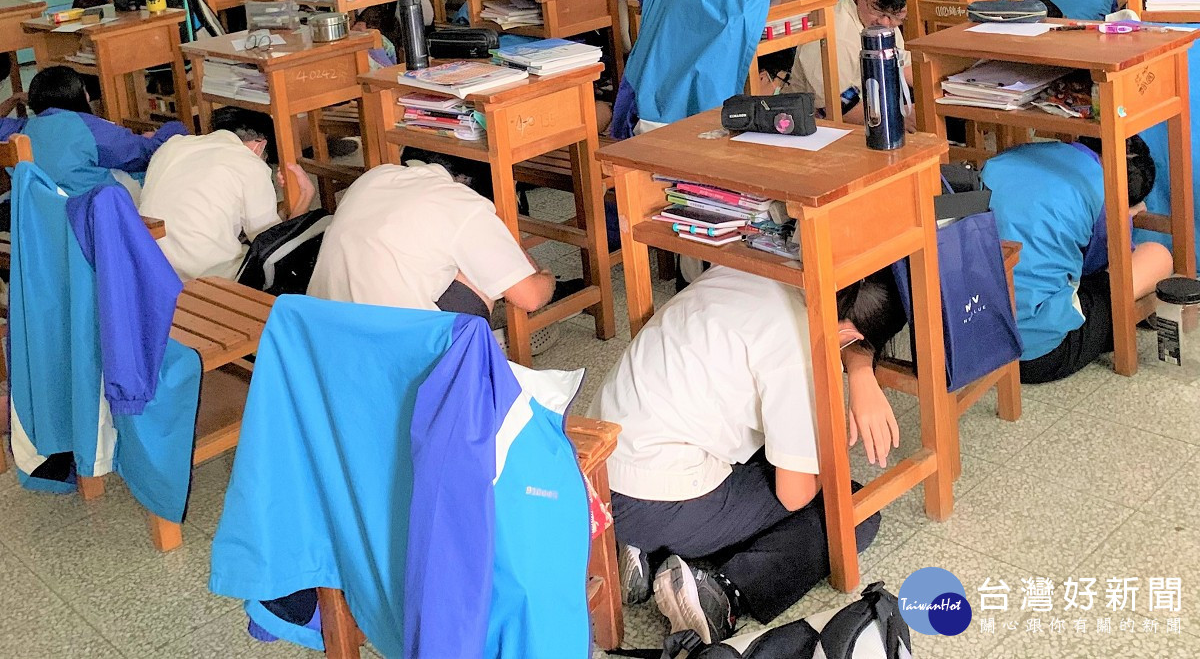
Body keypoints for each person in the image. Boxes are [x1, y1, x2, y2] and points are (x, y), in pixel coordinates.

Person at [590, 266, 907, 643]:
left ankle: (642, 551)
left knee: (770, 452)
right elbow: (796, 493)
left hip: (600, 470)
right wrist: (830, 448)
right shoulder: (799, 348)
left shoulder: (757, 267)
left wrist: (858, 372)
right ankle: (723, 595)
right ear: (852, 336)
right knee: (853, 507)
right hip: (656, 500)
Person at [981, 137, 1173, 384]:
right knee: (1158, 256)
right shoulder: (1105, 192)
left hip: (967, 335)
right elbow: (1101, 269)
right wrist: (1125, 219)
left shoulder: (1015, 154)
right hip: (1036, 353)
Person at [308, 154, 555, 323]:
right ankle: (472, 353)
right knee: (479, 270)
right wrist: (545, 276)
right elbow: (530, 298)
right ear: (469, 182)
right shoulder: (462, 203)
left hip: (323, 333)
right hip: (395, 354)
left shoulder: (375, 176)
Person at [138, 107, 315, 281]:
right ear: (260, 146)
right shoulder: (249, 162)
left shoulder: (172, 146)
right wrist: (305, 198)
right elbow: (272, 246)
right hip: (206, 280)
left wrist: (282, 209)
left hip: (150, 270)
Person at [0, 65, 186, 198]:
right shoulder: (90, 128)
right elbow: (144, 154)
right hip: (94, 211)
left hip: (43, 218)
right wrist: (171, 129)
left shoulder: (21, 132)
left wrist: (14, 99)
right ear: (81, 95)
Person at [779, 0, 922, 125]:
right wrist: (898, 119)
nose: (885, 22)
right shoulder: (833, 31)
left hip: (869, 109)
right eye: (877, 9)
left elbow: (903, 66)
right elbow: (838, 108)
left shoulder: (882, 23)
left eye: (897, 17)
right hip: (815, 122)